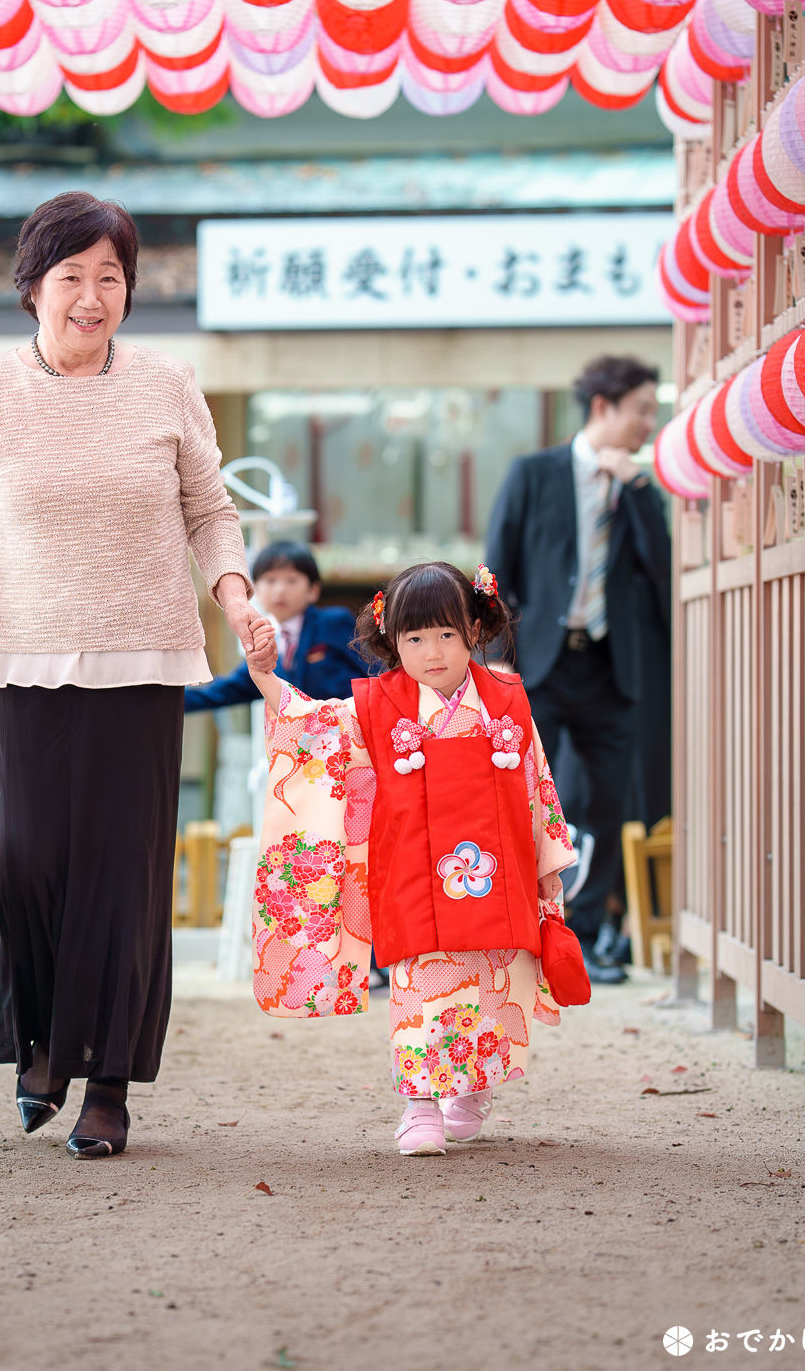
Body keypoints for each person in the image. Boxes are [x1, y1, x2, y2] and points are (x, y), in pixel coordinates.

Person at [0, 191, 272, 1160]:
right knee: (29, 860)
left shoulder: (166, 382)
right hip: (21, 660)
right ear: (31, 286)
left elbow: (209, 508)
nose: (91, 295)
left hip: (143, 659)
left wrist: (234, 599)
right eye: (71, 275)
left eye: (110, 276)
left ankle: (106, 1082)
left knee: (123, 870)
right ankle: (38, 1045)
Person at [246, 562, 582, 1157]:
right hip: (413, 876)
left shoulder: (507, 699)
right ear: (391, 641)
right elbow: (312, 729)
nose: (433, 652)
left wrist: (549, 862)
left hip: (498, 872)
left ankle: (474, 1090)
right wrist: (267, 677)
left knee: (495, 985)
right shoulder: (377, 705)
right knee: (422, 990)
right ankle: (420, 1105)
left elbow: (537, 781)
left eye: (447, 634)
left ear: (474, 631)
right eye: (415, 638)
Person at [484, 354, 670, 985]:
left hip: (613, 668)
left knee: (605, 800)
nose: (649, 422)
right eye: (642, 408)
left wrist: (638, 490)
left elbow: (660, 570)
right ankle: (514, 930)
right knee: (527, 796)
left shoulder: (640, 488)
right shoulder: (533, 473)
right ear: (603, 408)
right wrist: (502, 656)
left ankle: (582, 940)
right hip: (540, 662)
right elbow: (496, 570)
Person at [184, 541, 370, 714]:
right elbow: (220, 693)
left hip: (352, 734)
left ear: (313, 590)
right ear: (254, 588)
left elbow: (377, 671)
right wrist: (165, 699)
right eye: (270, 580)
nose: (280, 589)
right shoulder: (264, 639)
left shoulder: (334, 622)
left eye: (292, 580)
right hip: (302, 747)